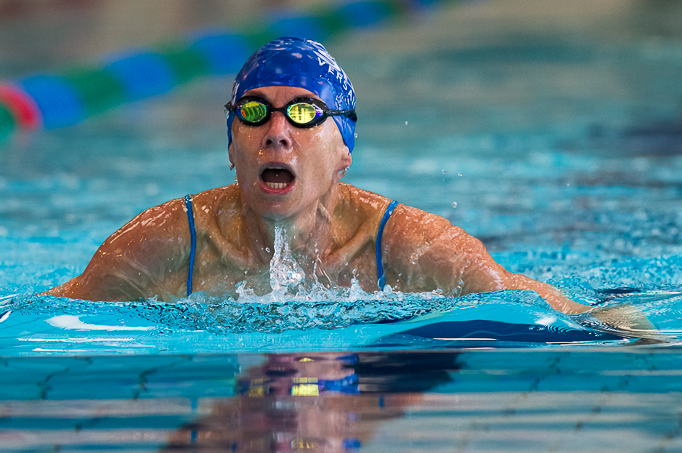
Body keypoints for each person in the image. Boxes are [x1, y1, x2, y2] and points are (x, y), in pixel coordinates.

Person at [46, 37, 615, 319]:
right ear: (232, 146)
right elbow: (49, 313)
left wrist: (635, 333)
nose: (276, 133)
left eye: (303, 113)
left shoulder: (409, 249)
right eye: (254, 112)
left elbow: (542, 305)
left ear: (344, 150)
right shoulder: (167, 243)